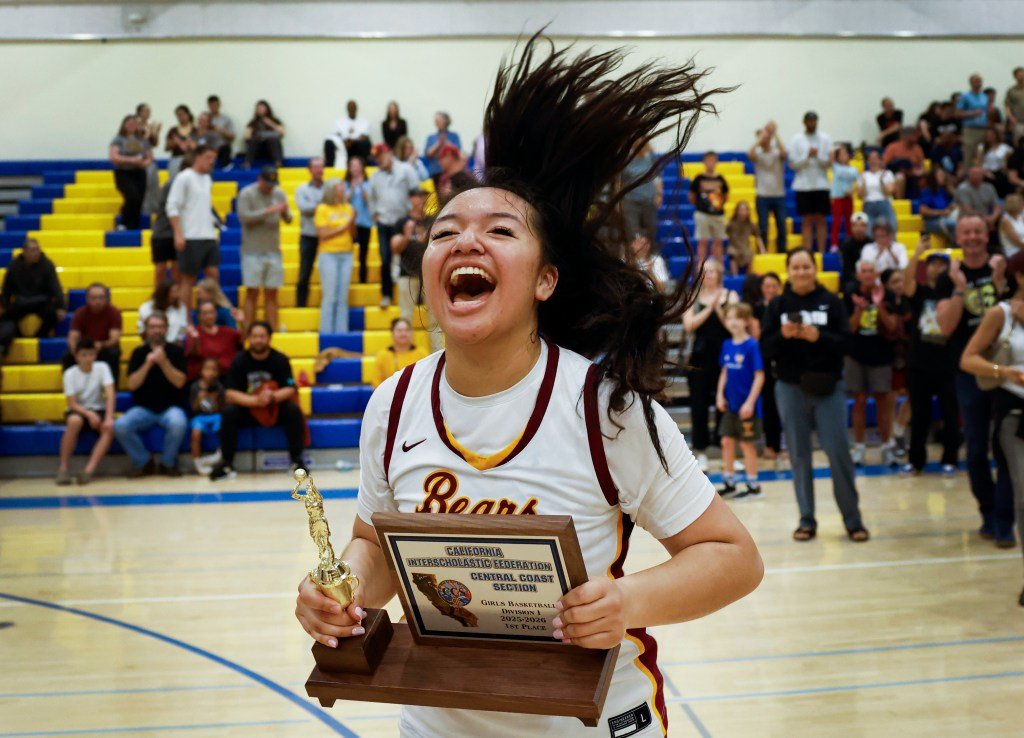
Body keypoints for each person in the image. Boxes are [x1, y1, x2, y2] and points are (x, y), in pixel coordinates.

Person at [294, 36, 763, 738]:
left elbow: (734, 558)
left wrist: (624, 599)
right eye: (444, 231)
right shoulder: (393, 405)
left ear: (547, 279)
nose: (465, 241)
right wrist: (342, 592)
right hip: (435, 722)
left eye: (499, 230)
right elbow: (374, 549)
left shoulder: (606, 407)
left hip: (593, 720)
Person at [761, 248, 869, 542]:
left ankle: (853, 520)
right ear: (788, 271)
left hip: (828, 389)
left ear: (815, 269)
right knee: (799, 456)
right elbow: (765, 347)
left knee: (839, 454)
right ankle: (806, 520)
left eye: (806, 266)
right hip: (789, 388)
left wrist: (818, 337)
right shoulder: (777, 305)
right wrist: (782, 336)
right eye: (795, 267)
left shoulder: (831, 303)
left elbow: (847, 343)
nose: (801, 272)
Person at [936, 215, 1013, 545]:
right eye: (965, 232)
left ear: (987, 233)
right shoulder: (948, 276)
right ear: (957, 236)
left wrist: (998, 282)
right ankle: (988, 511)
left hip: (1008, 374)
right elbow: (945, 328)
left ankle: (1005, 520)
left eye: (977, 231)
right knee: (978, 450)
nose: (972, 237)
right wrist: (958, 289)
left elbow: (1011, 314)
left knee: (1008, 449)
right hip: (969, 374)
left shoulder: (1006, 268)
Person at [959, 250, 1024, 603]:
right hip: (1014, 409)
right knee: (1023, 491)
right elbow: (968, 358)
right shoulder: (1000, 313)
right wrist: (1005, 373)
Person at [211, 321, 306, 481]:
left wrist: (271, 397)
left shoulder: (280, 359)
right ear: (249, 338)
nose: (258, 340)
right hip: (249, 410)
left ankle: (297, 462)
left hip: (274, 409)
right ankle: (227, 463)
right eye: (254, 336)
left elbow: (290, 388)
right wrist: (256, 401)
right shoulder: (239, 360)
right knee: (229, 412)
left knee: (293, 411)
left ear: (269, 338)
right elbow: (230, 393)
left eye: (262, 336)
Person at [902, 240, 959, 475]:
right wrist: (916, 255)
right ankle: (916, 461)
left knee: (950, 413)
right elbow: (906, 285)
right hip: (919, 364)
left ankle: (950, 459)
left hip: (947, 363)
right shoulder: (921, 292)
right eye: (932, 264)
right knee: (919, 415)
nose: (937, 268)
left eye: (941, 264)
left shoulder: (955, 294)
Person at [114, 312, 188, 478]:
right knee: (120, 426)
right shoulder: (138, 353)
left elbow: (180, 382)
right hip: (143, 408)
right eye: (152, 327)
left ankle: (167, 463)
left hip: (170, 408)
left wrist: (163, 362)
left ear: (167, 329)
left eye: (160, 327)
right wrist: (148, 363)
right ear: (146, 330)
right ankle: (142, 461)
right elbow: (132, 384)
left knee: (178, 423)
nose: (156, 331)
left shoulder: (176, 351)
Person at [682, 259, 738, 472]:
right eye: (705, 272)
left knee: (726, 403)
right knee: (699, 405)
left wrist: (719, 308)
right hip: (700, 358)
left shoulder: (730, 295)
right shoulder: (693, 297)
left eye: (712, 271)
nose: (709, 275)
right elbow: (689, 326)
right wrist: (709, 308)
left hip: (726, 358)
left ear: (719, 274)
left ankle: (727, 451)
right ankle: (701, 451)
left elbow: (734, 327)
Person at [844, 258, 900, 466]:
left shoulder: (888, 294)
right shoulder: (850, 294)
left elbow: (892, 326)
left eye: (871, 271)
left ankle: (886, 446)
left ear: (876, 273)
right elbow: (848, 329)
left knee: (883, 402)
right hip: (855, 354)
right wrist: (859, 309)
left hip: (881, 355)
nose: (867, 274)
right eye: (864, 271)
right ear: (858, 275)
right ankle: (859, 447)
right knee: (858, 401)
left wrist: (879, 306)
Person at [716, 303, 764, 499]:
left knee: (746, 445)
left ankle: (753, 486)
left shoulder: (752, 345)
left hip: (747, 407)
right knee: (726, 441)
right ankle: (730, 482)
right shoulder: (726, 345)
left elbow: (760, 376)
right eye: (729, 318)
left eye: (737, 317)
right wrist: (720, 394)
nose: (733, 322)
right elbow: (725, 371)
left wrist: (750, 403)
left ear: (746, 321)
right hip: (731, 405)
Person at [237, 165, 292, 331]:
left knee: (272, 294)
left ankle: (272, 331)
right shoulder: (247, 194)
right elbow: (244, 217)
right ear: (260, 179)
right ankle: (248, 331)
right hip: (252, 251)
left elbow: (288, 219)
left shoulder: (279, 193)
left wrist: (284, 212)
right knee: (252, 292)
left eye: (273, 184)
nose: (270, 187)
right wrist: (268, 211)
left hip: (273, 250)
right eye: (267, 183)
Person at [56, 339, 116, 486]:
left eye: (90, 354)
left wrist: (108, 417)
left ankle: (88, 471)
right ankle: (63, 468)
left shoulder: (102, 367)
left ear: (95, 355)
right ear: (76, 357)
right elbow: (72, 403)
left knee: (108, 428)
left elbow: (110, 394)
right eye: (83, 355)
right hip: (79, 409)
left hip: (98, 408)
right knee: (74, 421)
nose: (87, 358)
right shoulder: (70, 373)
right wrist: (89, 414)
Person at [367, 143, 420, 307]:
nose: (378, 160)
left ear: (389, 153)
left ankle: (416, 295)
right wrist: (375, 214)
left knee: (411, 257)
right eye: (376, 157)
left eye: (380, 155)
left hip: (403, 220)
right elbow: (371, 198)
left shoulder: (406, 170)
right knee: (385, 259)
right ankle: (387, 295)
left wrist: (414, 216)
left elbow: (415, 192)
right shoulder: (375, 176)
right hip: (384, 221)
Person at [167, 144, 220, 307]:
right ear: (197, 157)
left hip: (208, 235)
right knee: (188, 280)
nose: (211, 162)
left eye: (214, 159)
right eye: (208, 158)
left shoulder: (207, 179)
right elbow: (172, 206)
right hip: (190, 236)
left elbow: (203, 207)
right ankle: (186, 319)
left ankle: (210, 315)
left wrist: (214, 228)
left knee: (213, 276)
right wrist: (178, 233)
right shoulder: (184, 177)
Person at [0, 238, 65, 356]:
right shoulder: (14, 265)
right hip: (21, 302)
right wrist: (5, 305)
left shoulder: (47, 264)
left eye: (37, 250)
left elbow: (55, 286)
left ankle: (40, 337)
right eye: (32, 250)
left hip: (41, 301)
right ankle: (15, 338)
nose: (35, 253)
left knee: (52, 314)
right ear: (24, 252)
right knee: (7, 315)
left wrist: (61, 307)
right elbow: (6, 289)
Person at [750, 272, 784, 466]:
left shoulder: (785, 306)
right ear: (762, 288)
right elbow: (758, 337)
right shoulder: (757, 310)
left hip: (785, 361)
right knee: (770, 406)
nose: (770, 289)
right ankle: (771, 445)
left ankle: (780, 446)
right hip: (764, 361)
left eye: (774, 285)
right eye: (767, 285)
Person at [314, 178, 356, 334]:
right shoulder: (322, 209)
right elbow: (323, 234)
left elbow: (353, 235)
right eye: (340, 188)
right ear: (332, 190)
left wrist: (351, 224)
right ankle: (326, 333)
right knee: (330, 296)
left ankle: (341, 332)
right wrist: (345, 225)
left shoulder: (348, 208)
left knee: (342, 297)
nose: (343, 190)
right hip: (328, 255)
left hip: (346, 254)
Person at [61, 282, 122, 384]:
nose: (98, 301)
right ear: (87, 299)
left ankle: (112, 390)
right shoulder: (80, 313)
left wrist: (101, 345)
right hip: (85, 347)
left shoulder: (114, 313)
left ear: (107, 298)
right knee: (67, 356)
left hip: (104, 348)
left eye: (101, 297)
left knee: (114, 354)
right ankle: (71, 389)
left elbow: (114, 339)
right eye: (94, 298)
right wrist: (76, 352)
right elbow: (73, 337)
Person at [790, 111, 832, 253]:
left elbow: (829, 163)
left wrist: (818, 155)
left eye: (814, 121)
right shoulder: (797, 139)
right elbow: (793, 164)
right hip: (803, 185)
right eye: (809, 121)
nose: (812, 123)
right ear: (804, 122)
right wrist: (807, 156)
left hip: (821, 184)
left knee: (821, 219)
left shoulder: (825, 138)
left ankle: (821, 251)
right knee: (806, 220)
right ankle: (808, 252)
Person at [390, 188, 432, 321]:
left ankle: (438, 344)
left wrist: (428, 239)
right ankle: (405, 342)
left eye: (424, 196)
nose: (422, 200)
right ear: (410, 199)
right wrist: (407, 236)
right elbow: (395, 249)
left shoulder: (432, 221)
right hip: (407, 274)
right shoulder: (402, 222)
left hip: (429, 275)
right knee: (406, 316)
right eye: (418, 196)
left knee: (435, 319)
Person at [109, 114, 153, 230]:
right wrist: (131, 160)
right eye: (129, 123)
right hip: (123, 172)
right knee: (132, 197)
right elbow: (113, 157)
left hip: (139, 173)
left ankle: (134, 226)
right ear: (123, 125)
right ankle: (123, 222)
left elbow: (149, 157)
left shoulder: (142, 140)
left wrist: (144, 163)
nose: (131, 126)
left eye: (134, 123)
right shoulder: (118, 139)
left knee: (139, 200)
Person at [749, 120, 788, 252]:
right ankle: (762, 251)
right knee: (763, 227)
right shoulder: (758, 155)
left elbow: (784, 153)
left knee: (782, 226)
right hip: (762, 196)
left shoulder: (777, 153)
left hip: (779, 195)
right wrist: (760, 138)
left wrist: (774, 133)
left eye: (767, 137)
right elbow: (750, 153)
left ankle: (782, 252)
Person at [294, 158, 326, 308]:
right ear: (309, 170)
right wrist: (324, 205)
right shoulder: (302, 189)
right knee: (304, 273)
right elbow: (303, 208)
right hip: (308, 235)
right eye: (316, 167)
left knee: (328, 274)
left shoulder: (330, 188)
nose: (320, 170)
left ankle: (326, 305)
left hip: (328, 236)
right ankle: (301, 306)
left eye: (321, 167)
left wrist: (316, 206)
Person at [185, 299, 242, 381]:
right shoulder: (194, 333)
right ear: (199, 316)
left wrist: (241, 323)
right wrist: (195, 340)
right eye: (205, 313)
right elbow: (193, 355)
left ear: (216, 314)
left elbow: (245, 340)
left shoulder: (227, 331)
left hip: (228, 377)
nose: (209, 316)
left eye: (211, 312)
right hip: (203, 379)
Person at [689, 151, 729, 263]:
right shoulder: (698, 179)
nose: (711, 163)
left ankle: (719, 268)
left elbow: (726, 196)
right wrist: (701, 206)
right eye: (709, 160)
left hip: (718, 215)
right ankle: (701, 267)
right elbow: (691, 196)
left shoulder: (721, 179)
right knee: (702, 241)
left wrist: (718, 205)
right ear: (704, 162)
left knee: (718, 242)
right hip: (702, 214)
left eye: (713, 160)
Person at [620, 140, 662, 249]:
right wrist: (618, 202)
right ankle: (634, 260)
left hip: (649, 200)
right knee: (633, 233)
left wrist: (658, 195)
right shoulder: (627, 159)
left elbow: (657, 178)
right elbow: (618, 182)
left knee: (651, 230)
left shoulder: (651, 158)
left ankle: (651, 259)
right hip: (630, 201)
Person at [189, 357, 226, 476]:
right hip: (199, 416)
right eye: (207, 369)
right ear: (201, 371)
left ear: (218, 372)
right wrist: (200, 398)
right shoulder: (195, 387)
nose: (210, 372)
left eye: (214, 369)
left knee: (223, 428)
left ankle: (219, 456)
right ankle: (197, 461)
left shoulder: (219, 387)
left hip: (215, 415)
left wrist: (214, 398)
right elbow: (193, 409)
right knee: (196, 433)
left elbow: (220, 408)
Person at [149, 156, 182, 287]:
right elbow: (170, 208)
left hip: (177, 233)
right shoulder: (171, 185)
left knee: (177, 271)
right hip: (162, 233)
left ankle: (176, 301)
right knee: (161, 270)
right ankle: (159, 300)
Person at [372, 317, 429, 388]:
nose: (403, 333)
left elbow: (428, 378)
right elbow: (376, 381)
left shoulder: (422, 353)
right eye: (399, 330)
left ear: (412, 333)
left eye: (407, 330)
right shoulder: (383, 355)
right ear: (392, 333)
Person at [345, 157, 375, 284]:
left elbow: (369, 201)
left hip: (365, 223)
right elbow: (343, 202)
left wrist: (361, 186)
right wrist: (352, 188)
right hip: (349, 223)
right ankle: (347, 279)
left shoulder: (368, 183)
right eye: (353, 166)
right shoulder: (345, 184)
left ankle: (363, 280)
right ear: (349, 169)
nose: (356, 168)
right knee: (347, 253)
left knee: (363, 254)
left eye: (358, 165)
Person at [955, 166, 1002, 237]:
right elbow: (969, 210)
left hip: (988, 218)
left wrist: (993, 217)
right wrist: (985, 218)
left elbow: (997, 206)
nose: (976, 177)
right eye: (973, 174)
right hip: (968, 218)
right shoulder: (963, 189)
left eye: (978, 174)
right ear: (968, 176)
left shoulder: (989, 187)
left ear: (983, 176)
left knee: (1004, 220)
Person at [883, 127, 926, 199]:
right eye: (914, 135)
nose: (917, 137)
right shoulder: (893, 147)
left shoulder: (917, 148)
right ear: (906, 136)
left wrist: (917, 171)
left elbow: (921, 167)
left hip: (913, 176)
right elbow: (885, 165)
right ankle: (900, 205)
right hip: (895, 176)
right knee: (900, 177)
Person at [858, 149, 897, 229]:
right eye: (871, 159)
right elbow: (861, 195)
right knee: (868, 233)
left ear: (880, 160)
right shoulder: (864, 175)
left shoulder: (887, 174)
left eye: (875, 158)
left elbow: (888, 193)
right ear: (867, 161)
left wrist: (881, 181)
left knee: (891, 228)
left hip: (883, 203)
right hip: (868, 205)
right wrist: (864, 183)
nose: (873, 161)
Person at [829, 144, 859, 248]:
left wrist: (852, 191)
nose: (843, 156)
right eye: (840, 154)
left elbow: (859, 183)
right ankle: (834, 244)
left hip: (848, 198)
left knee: (849, 221)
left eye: (845, 154)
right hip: (838, 197)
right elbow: (831, 155)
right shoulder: (835, 166)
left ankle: (850, 242)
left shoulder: (853, 169)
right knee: (836, 221)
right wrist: (838, 147)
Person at [325, 99, 370, 166]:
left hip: (357, 146)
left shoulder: (364, 122)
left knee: (365, 143)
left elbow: (365, 136)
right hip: (343, 146)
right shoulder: (339, 122)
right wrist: (344, 143)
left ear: (357, 109)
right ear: (347, 109)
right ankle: (330, 168)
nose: (352, 109)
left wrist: (351, 142)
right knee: (328, 142)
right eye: (350, 108)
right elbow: (336, 136)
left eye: (353, 107)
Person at [136, 103, 163, 216]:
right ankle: (143, 209)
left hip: (149, 157)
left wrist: (156, 132)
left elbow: (154, 144)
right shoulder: (135, 126)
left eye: (149, 111)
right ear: (139, 112)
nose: (148, 113)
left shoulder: (149, 125)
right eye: (145, 111)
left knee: (153, 183)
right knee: (144, 184)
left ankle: (154, 208)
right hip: (138, 158)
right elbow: (136, 143)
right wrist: (147, 135)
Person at [423, 112, 462, 186]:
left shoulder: (454, 136)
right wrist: (438, 144)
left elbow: (457, 151)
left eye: (439, 120)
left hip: (451, 172)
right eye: (436, 120)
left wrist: (446, 142)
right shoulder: (431, 137)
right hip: (435, 172)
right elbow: (427, 154)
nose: (436, 122)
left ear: (446, 120)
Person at [725, 200, 763, 275]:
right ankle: (735, 276)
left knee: (749, 254)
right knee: (732, 253)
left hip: (745, 247)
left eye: (745, 210)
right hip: (734, 247)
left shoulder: (751, 224)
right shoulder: (731, 223)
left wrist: (762, 249)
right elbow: (724, 234)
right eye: (741, 210)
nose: (743, 212)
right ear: (736, 211)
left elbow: (757, 236)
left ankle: (749, 276)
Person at [243, 100, 285, 168]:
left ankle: (278, 163)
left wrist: (271, 124)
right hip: (258, 150)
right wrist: (256, 136)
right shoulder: (253, 122)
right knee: (255, 138)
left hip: (271, 150)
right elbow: (246, 137)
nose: (260, 110)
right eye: (258, 108)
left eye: (262, 108)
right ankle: (247, 163)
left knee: (273, 139)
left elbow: (282, 133)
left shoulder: (275, 120)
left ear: (267, 109)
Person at [918, 169, 957, 241]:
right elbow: (923, 210)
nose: (943, 177)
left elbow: (952, 203)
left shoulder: (943, 191)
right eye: (940, 175)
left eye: (943, 175)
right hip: (931, 221)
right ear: (934, 177)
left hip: (945, 218)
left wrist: (950, 187)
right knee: (954, 224)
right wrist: (941, 212)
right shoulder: (926, 192)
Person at [957, 74, 990, 157]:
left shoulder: (985, 96)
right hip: (970, 129)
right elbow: (957, 113)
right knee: (969, 154)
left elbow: (987, 111)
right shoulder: (965, 97)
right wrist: (972, 113)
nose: (978, 84)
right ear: (971, 83)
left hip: (982, 129)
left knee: (981, 154)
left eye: (980, 82)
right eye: (976, 81)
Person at [976, 126, 1014, 197]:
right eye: (988, 135)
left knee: (1002, 179)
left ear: (996, 136)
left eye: (991, 135)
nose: (989, 137)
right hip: (986, 172)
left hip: (1000, 171)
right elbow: (978, 163)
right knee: (986, 179)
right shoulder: (981, 148)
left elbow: (1011, 161)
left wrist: (1005, 167)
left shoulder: (1005, 148)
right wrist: (985, 172)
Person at [165, 105, 197, 179]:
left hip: (191, 159)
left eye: (182, 114)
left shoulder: (195, 130)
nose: (181, 117)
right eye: (178, 115)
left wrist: (190, 144)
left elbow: (200, 148)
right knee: (174, 181)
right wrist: (174, 143)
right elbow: (166, 147)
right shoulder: (173, 130)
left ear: (188, 114)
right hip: (176, 158)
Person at [839, 211, 872, 283]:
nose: (859, 229)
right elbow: (846, 269)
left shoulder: (872, 243)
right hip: (852, 279)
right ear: (851, 227)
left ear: (866, 227)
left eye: (862, 225)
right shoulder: (846, 245)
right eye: (856, 225)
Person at [205, 95, 236, 168]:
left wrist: (221, 130)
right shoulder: (205, 119)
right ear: (208, 106)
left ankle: (225, 167)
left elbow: (232, 137)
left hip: (222, 146)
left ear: (219, 105)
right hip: (208, 146)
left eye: (215, 105)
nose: (213, 107)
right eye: (211, 105)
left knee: (225, 147)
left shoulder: (226, 119)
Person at [1000, 192, 1024, 259]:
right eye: (1021, 203)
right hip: (1013, 251)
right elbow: (1016, 242)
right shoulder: (1005, 220)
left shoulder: (1020, 217)